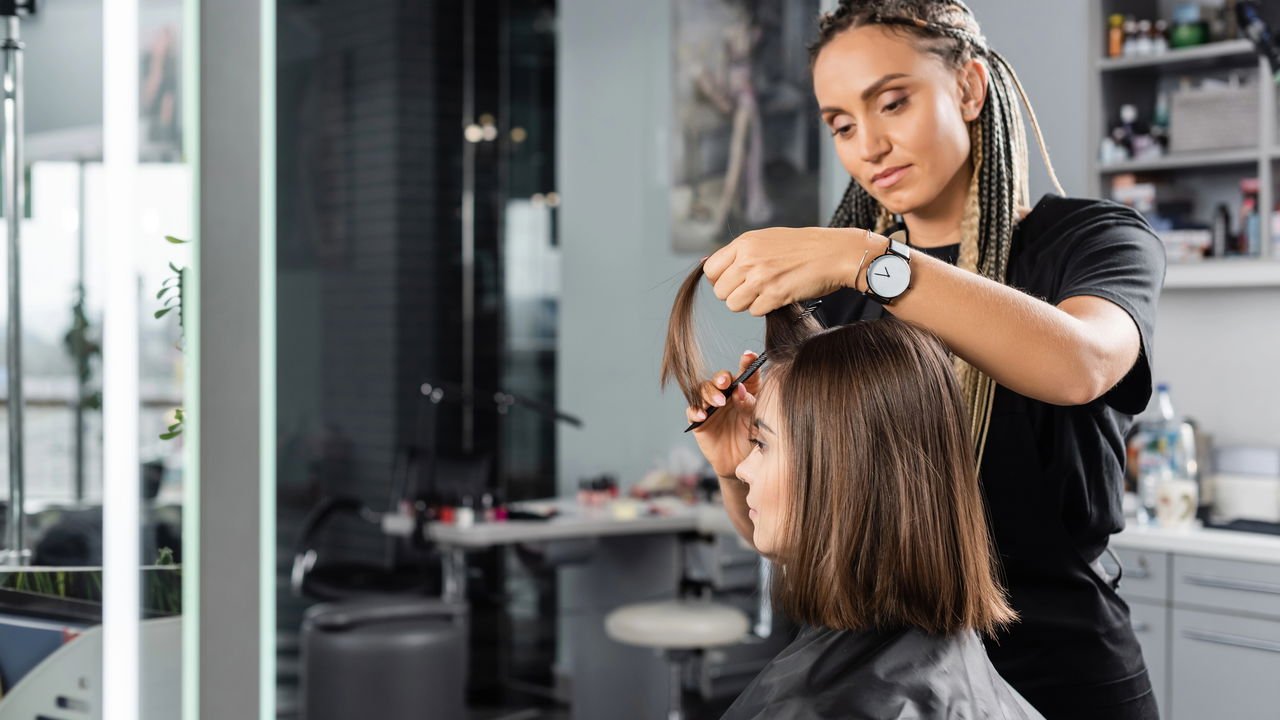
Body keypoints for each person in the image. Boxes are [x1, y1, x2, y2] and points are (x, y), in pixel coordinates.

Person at [682, 2, 1166, 717]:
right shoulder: (836, 295)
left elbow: (1082, 366)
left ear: (968, 89)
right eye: (842, 125)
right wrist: (735, 468)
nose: (869, 146)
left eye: (893, 102)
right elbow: (802, 533)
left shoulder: (1091, 242)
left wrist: (868, 259)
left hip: (1063, 678)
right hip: (885, 685)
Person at [662, 276, 1043, 719]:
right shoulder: (953, 668)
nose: (746, 468)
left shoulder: (820, 705)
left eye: (761, 445)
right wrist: (732, 469)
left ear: (843, 473)